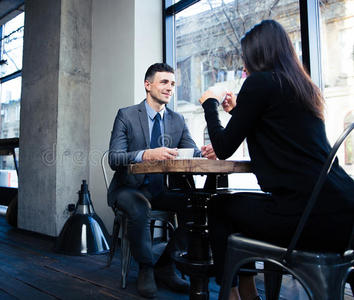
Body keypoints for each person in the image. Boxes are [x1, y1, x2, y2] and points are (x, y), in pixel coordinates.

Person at [199, 20, 354, 300]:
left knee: (220, 206)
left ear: (256, 55)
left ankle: (232, 295)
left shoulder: (258, 83)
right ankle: (249, 293)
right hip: (344, 211)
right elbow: (279, 129)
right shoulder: (302, 87)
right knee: (237, 205)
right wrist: (239, 111)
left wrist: (209, 103)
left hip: (307, 217)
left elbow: (222, 148)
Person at [108, 62, 216, 298]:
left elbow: (191, 152)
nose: (170, 88)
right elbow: (115, 159)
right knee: (139, 209)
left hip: (162, 189)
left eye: (173, 83)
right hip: (129, 188)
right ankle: (146, 267)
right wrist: (146, 154)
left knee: (198, 207)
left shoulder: (177, 120)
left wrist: (205, 153)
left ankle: (165, 265)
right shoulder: (126, 115)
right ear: (148, 85)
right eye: (164, 82)